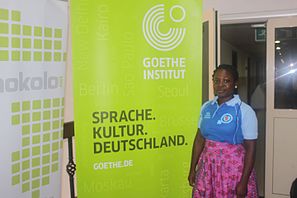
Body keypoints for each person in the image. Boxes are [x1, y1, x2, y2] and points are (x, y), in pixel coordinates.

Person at [188, 64, 258, 198]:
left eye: (226, 81)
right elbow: (199, 140)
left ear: (235, 83)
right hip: (207, 168)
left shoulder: (244, 111)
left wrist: (243, 182)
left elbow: (251, 149)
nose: (220, 85)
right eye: (216, 81)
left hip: (233, 170)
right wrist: (192, 169)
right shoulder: (206, 107)